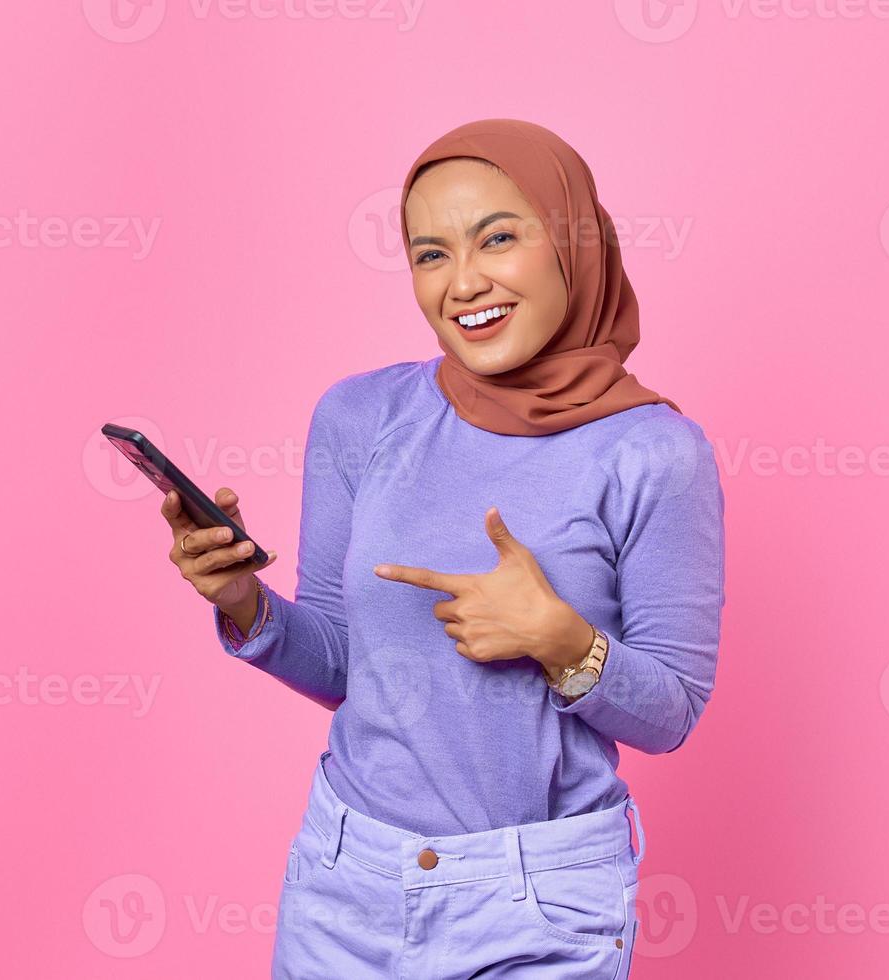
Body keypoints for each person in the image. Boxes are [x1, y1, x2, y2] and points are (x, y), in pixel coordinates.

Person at [160, 118, 725, 978]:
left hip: (541, 902)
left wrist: (561, 640)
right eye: (430, 255)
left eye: (498, 237)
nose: (464, 283)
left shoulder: (653, 454)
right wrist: (245, 604)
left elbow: (672, 712)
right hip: (348, 884)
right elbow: (349, 664)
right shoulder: (359, 418)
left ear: (573, 243)